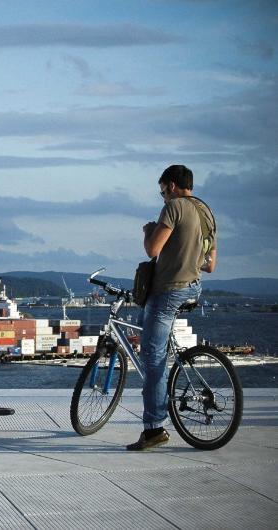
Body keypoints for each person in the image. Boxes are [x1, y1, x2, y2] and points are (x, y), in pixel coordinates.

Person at [127, 164, 217, 451]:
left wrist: (149, 231)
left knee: (152, 360)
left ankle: (154, 429)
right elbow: (210, 264)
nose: (162, 196)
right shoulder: (206, 211)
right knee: (160, 350)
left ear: (172, 186)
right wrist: (186, 257)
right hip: (194, 287)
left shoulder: (174, 207)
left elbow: (152, 249)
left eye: (162, 190)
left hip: (168, 291)